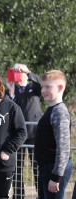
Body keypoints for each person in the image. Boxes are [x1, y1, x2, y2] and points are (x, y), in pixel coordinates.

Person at [0, 69, 27, 199]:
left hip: (4, 162)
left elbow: (22, 132)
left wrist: (7, 151)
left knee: (1, 196)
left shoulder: (12, 107)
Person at [6, 63, 43, 198]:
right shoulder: (12, 89)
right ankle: (19, 195)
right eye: (15, 71)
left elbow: (42, 85)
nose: (18, 73)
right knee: (17, 168)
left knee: (36, 166)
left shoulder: (34, 87)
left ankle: (41, 194)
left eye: (20, 71)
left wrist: (29, 72)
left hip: (34, 132)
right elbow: (8, 107)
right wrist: (10, 91)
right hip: (18, 133)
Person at [34, 69, 73, 199]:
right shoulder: (52, 109)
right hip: (47, 168)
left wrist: (56, 177)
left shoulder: (59, 111)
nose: (43, 90)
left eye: (48, 87)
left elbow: (63, 147)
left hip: (54, 170)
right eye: (42, 87)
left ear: (60, 87)